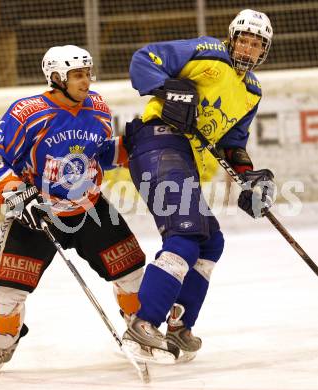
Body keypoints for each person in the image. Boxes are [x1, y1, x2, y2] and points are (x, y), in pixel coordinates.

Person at [0, 45, 146, 374]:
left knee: (132, 270)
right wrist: (16, 193)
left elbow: (102, 154)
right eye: (77, 75)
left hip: (89, 207)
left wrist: (134, 145)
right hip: (37, 211)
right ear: (56, 78)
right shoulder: (27, 112)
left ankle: (140, 331)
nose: (86, 81)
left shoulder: (99, 107)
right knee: (8, 287)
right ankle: (1, 346)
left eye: (87, 73)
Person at [122, 9, 276, 363]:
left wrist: (247, 176)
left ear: (263, 51)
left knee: (210, 240)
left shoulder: (252, 91)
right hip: (157, 141)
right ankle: (143, 323)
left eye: (257, 45)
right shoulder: (207, 51)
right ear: (232, 38)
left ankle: (178, 323)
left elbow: (233, 143)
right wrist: (168, 89)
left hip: (184, 157)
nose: (248, 49)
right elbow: (145, 58)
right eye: (245, 40)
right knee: (186, 232)